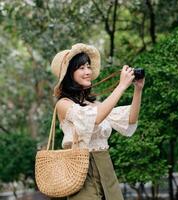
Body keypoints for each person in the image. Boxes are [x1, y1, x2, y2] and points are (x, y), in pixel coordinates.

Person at [50, 43, 144, 200]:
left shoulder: (95, 105)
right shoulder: (63, 104)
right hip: (81, 171)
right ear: (68, 74)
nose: (88, 72)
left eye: (88, 66)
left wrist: (138, 89)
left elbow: (130, 120)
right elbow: (96, 118)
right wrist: (121, 86)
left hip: (105, 167)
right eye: (81, 68)